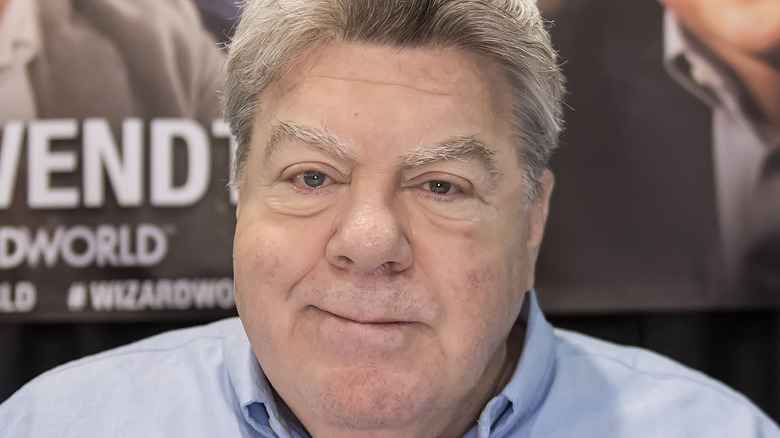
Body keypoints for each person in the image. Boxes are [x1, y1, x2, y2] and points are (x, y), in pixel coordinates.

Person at [1, 0, 778, 436]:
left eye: (440, 186)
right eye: (312, 176)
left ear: (533, 218)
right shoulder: (56, 426)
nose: (369, 242)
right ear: (240, 190)